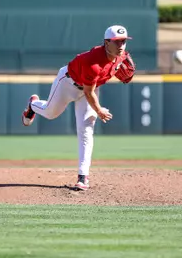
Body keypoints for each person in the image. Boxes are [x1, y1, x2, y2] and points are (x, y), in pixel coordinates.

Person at [21, 25, 135, 191]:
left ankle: (83, 177)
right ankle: (33, 105)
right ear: (106, 43)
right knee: (50, 113)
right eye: (117, 42)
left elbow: (95, 87)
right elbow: (88, 93)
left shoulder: (121, 56)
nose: (121, 46)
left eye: (124, 41)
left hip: (91, 87)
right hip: (68, 83)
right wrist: (99, 110)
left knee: (86, 130)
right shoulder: (93, 63)